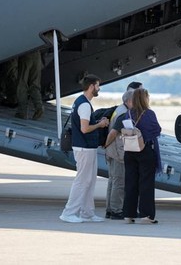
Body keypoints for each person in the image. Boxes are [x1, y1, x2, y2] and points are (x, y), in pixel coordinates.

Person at [59, 74, 110, 223]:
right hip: (84, 148)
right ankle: (68, 213)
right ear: (92, 86)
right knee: (82, 181)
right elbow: (85, 128)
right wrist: (100, 125)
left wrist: (97, 122)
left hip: (86, 147)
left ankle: (87, 213)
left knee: (89, 180)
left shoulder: (81, 102)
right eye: (98, 85)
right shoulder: (84, 105)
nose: (99, 88)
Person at [122, 88, 162, 224]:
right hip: (145, 150)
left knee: (131, 182)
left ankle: (128, 214)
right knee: (146, 183)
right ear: (145, 98)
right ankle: (146, 215)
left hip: (129, 150)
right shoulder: (149, 114)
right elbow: (157, 130)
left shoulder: (128, 113)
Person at [103, 86, 135, 220]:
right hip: (117, 152)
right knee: (119, 182)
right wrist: (107, 144)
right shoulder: (124, 114)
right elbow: (113, 133)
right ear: (129, 101)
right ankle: (116, 210)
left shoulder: (119, 110)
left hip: (112, 151)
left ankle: (110, 209)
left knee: (113, 180)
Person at [15, 50, 44, 120]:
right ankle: (39, 106)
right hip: (37, 55)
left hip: (26, 53)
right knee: (35, 84)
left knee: (22, 84)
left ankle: (22, 112)